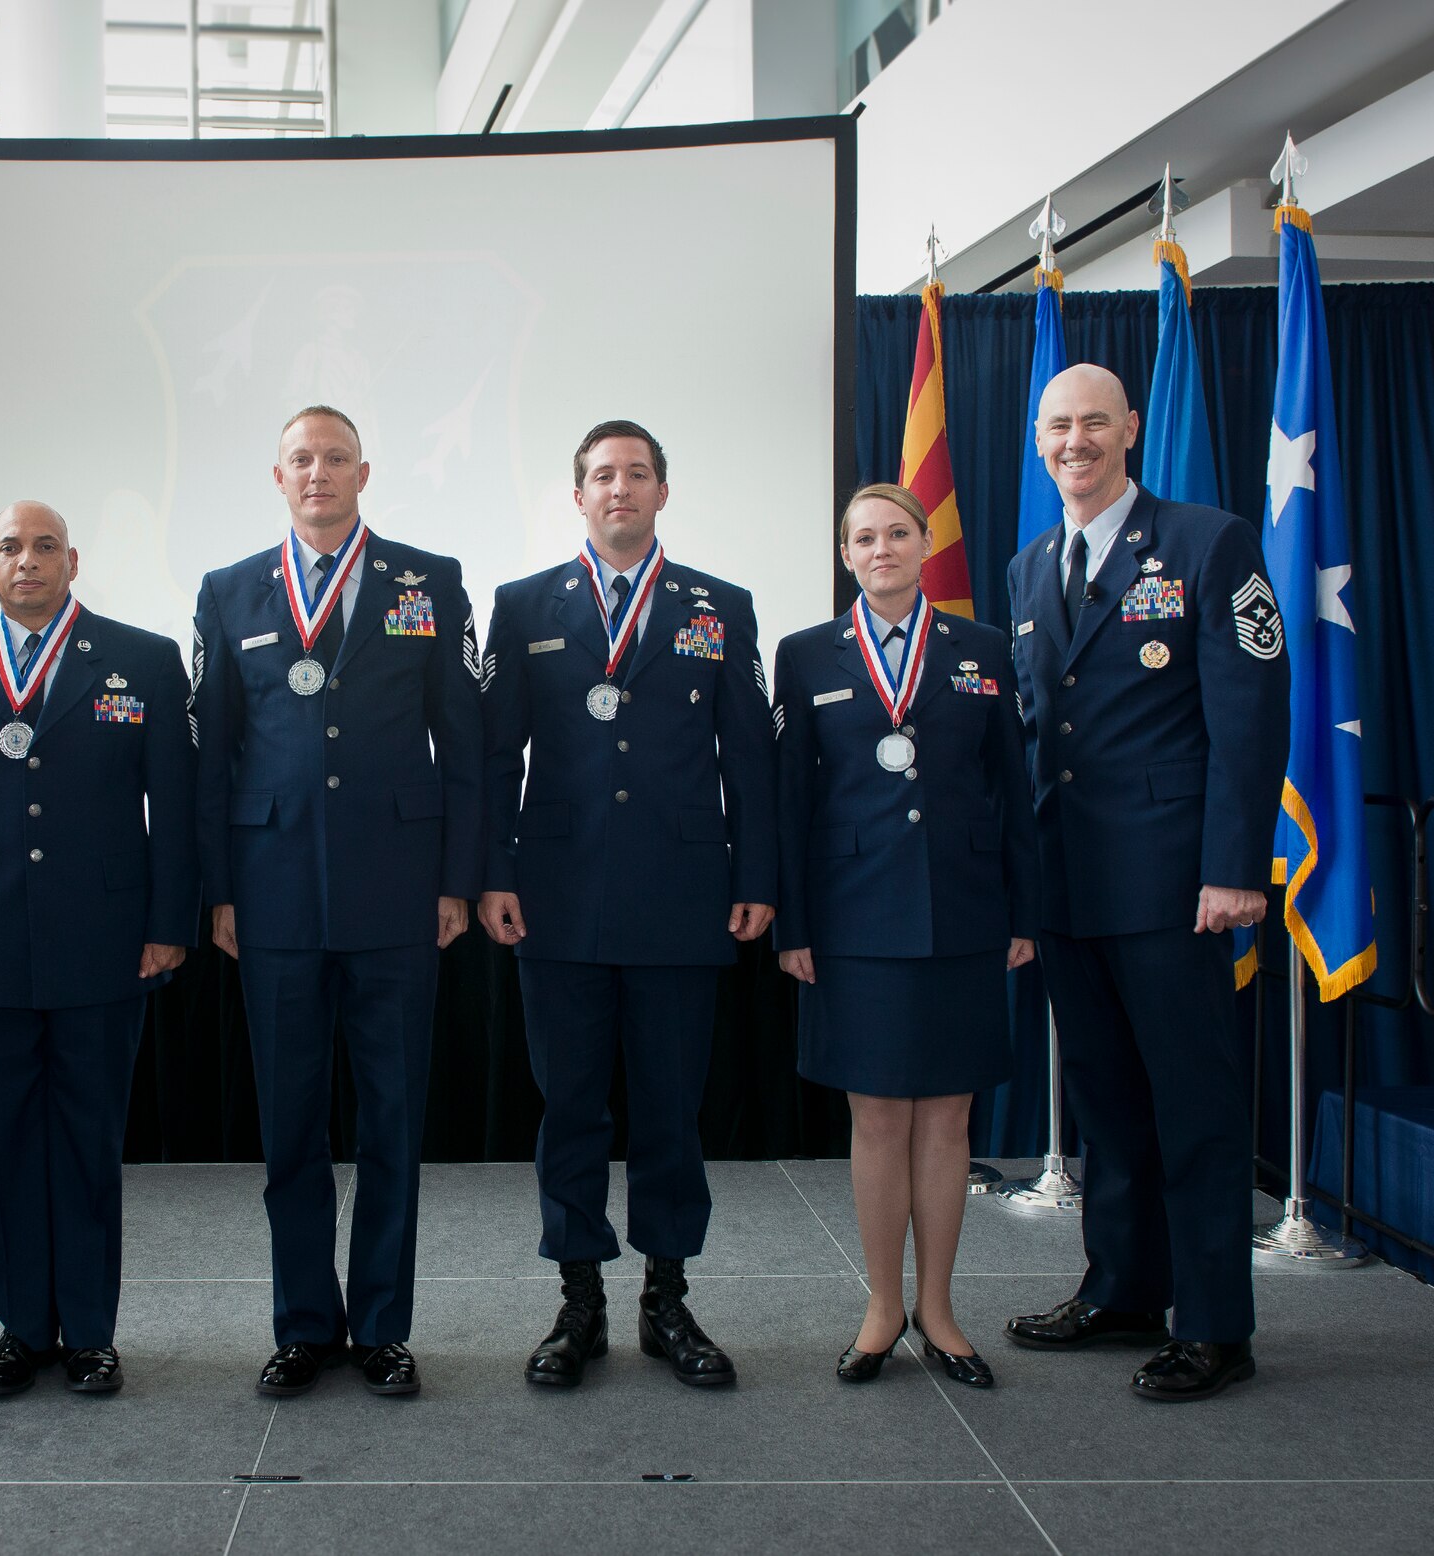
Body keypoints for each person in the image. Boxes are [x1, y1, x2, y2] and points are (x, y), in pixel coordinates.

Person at [1004, 364, 1289, 1402]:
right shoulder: (1030, 563)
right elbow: (1037, 736)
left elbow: (1248, 713)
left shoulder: (1207, 541)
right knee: (1105, 1103)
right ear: (1038, 442)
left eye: (1090, 422)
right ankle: (1124, 1286)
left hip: (1177, 884)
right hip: (1068, 885)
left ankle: (1214, 1322)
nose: (1072, 440)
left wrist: (1233, 868)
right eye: (1055, 426)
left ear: (1127, 428)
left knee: (1194, 1105)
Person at [193, 405, 483, 1398]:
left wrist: (455, 878)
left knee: (393, 1123)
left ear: (364, 470)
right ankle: (302, 1323)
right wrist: (219, 890)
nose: (316, 472)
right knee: (289, 1128)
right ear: (275, 476)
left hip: (397, 893)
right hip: (271, 896)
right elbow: (212, 754)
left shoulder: (426, 581)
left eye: (333, 457)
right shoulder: (228, 590)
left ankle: (383, 1328)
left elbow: (465, 743)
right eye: (299, 459)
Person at [478, 419, 774, 1390]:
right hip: (556, 901)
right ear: (576, 496)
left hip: (680, 899)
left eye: (635, 473)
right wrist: (492, 871)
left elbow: (751, 762)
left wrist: (756, 876)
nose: (618, 488)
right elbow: (493, 758)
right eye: (600, 475)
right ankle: (579, 1300)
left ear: (659, 491)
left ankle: (665, 1295)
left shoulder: (716, 606)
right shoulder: (523, 606)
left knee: (666, 1107)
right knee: (569, 1106)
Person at [0, 501, 196, 1399]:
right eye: (11, 548)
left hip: (105, 945)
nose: (28, 561)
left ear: (74, 560)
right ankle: (22, 1329)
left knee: (90, 1140)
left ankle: (93, 1333)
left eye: (46, 546)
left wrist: (168, 922)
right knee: (10, 1141)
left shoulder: (143, 660)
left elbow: (173, 808)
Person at [772, 482, 1039, 1390]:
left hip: (964, 913)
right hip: (853, 919)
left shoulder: (984, 650)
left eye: (896, 533)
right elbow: (790, 804)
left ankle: (941, 1311)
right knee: (879, 1118)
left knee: (950, 1120)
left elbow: (1013, 792)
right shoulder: (805, 655)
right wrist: (794, 926)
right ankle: (883, 1307)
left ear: (926, 543)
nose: (880, 549)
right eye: (862, 538)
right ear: (844, 554)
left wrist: (1023, 910)